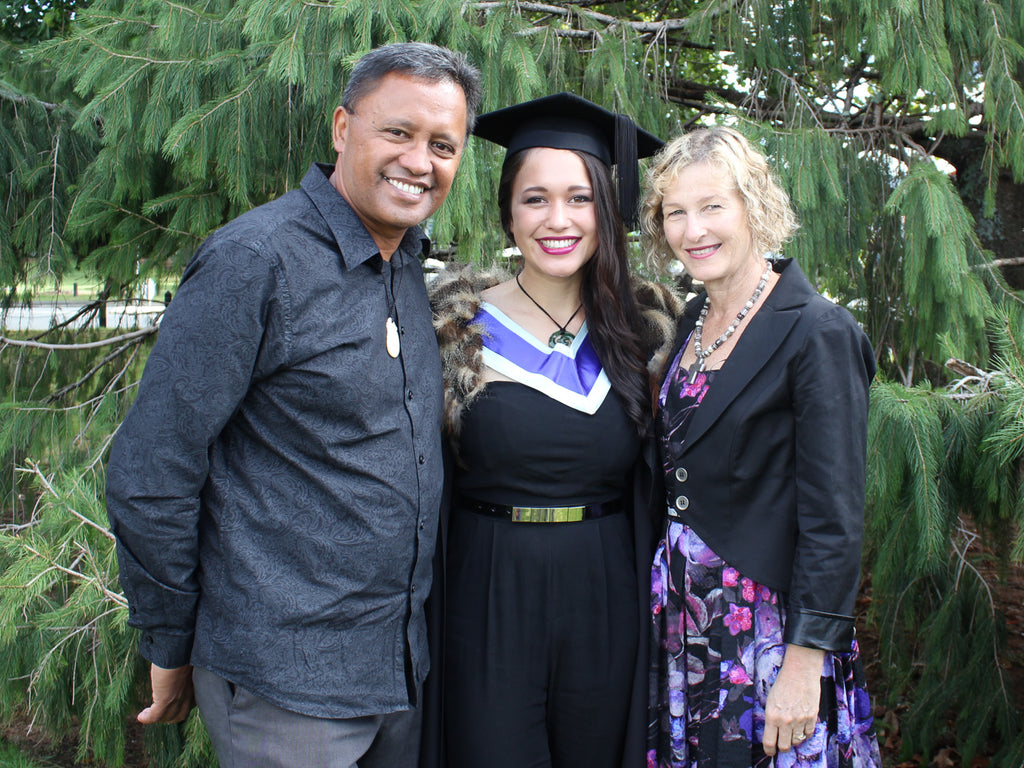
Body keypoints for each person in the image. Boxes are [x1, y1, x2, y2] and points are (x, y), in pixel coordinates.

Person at [105, 42, 482, 768]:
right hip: (285, 684)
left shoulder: (403, 262)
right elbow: (154, 468)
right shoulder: (255, 262)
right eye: (397, 133)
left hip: (396, 670)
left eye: (442, 145)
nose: (419, 160)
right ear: (343, 128)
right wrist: (169, 639)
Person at [424, 92, 680, 768]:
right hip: (486, 593)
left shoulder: (649, 332)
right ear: (509, 211)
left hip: (607, 596)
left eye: (579, 198)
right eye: (535, 199)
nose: (557, 219)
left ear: (608, 208)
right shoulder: (453, 330)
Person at [639, 126, 882, 768]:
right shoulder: (691, 321)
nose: (694, 230)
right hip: (685, 620)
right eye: (675, 213)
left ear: (756, 206)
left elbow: (834, 518)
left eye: (713, 206)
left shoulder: (818, 331)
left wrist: (806, 661)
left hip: (766, 631)